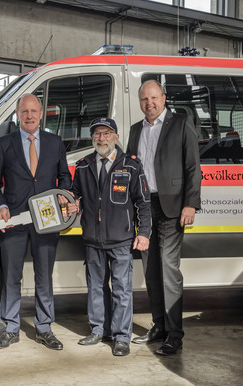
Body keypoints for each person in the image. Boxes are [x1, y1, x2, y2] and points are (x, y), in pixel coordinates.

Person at [0, 93, 72, 350]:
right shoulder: (4, 144)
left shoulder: (55, 143)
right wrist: (1, 206)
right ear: (17, 114)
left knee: (43, 275)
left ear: (42, 113)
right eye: (25, 111)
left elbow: (64, 178)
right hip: (14, 219)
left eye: (34, 111)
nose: (30, 116)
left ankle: (44, 327)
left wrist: (62, 198)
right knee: (11, 276)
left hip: (46, 220)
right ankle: (11, 327)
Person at [126, 80, 201, 356]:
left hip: (172, 207)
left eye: (154, 97)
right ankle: (158, 325)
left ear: (164, 97)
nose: (150, 103)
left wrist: (191, 204)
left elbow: (193, 167)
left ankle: (175, 334)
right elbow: (131, 169)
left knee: (169, 270)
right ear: (139, 101)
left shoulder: (180, 124)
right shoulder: (136, 130)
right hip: (144, 209)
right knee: (151, 271)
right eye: (144, 99)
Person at [67, 117, 151, 356]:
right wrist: (73, 205)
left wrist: (143, 233)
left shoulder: (131, 165)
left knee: (122, 289)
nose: (101, 138)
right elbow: (75, 196)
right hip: (93, 239)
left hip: (121, 240)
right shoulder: (83, 165)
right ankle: (98, 330)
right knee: (96, 286)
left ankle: (121, 336)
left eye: (106, 134)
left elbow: (143, 203)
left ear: (115, 137)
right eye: (97, 134)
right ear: (92, 137)